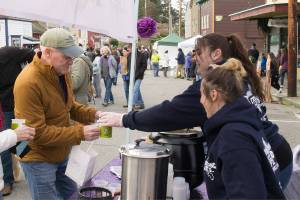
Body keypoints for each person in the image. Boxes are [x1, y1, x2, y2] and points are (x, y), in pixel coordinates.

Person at [98, 33, 292, 189]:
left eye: (198, 51)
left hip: (262, 161)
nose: (193, 56)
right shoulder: (233, 75)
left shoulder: (217, 87)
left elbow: (170, 113)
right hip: (272, 152)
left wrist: (125, 119)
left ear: (216, 54)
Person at [13, 28, 102, 200]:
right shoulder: (28, 82)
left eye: (72, 56)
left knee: (72, 195)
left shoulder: (61, 72)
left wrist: (95, 114)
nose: (71, 61)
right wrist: (80, 133)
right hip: (36, 156)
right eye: (67, 56)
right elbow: (36, 133)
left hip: (61, 149)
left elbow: (69, 106)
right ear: (47, 52)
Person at [201, 58, 284, 199]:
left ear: (214, 95)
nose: (201, 100)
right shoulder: (239, 124)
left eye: (202, 94)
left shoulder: (234, 139)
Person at [0, 46, 35, 196]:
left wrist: (28, 74)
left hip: (19, 105)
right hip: (4, 108)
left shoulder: (9, 53)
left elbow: (33, 55)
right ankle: (8, 180)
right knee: (5, 144)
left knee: (20, 141)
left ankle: (28, 174)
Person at [0, 124, 35, 198]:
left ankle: (31, 175)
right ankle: (7, 181)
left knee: (22, 148)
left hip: (19, 116)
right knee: (7, 149)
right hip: (7, 114)